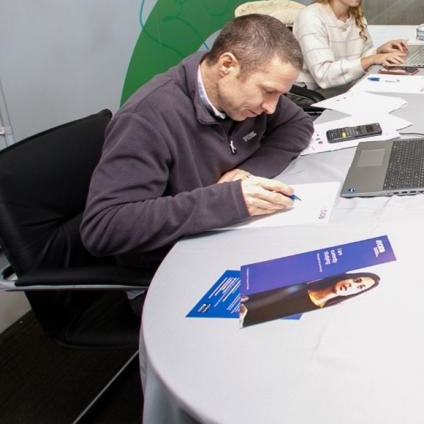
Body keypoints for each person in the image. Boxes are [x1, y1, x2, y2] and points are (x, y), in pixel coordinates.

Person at [81, 14, 315, 274]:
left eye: (280, 95)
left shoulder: (250, 93)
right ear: (227, 65)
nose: (271, 108)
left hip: (230, 239)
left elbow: (299, 124)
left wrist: (251, 171)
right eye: (268, 91)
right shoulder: (147, 119)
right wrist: (230, 200)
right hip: (172, 267)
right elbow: (104, 226)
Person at [293, 0, 408, 95]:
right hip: (316, 97)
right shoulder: (311, 17)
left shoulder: (355, 16)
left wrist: (379, 51)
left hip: (348, 90)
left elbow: (361, 57)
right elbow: (324, 75)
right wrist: (372, 59)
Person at [239, 272, 381, 327]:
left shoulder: (318, 314)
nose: (352, 285)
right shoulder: (304, 281)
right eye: (357, 280)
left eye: (359, 287)